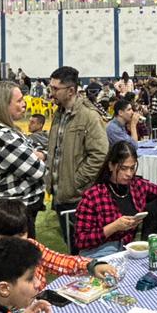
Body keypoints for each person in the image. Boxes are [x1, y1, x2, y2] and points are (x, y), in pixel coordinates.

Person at [0, 197, 118, 290]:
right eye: (8, 237)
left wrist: (91, 265)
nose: (16, 243)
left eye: (21, 235)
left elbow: (61, 261)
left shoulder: (31, 247)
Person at [45, 66, 109, 236]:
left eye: (55, 89)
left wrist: (76, 181)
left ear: (71, 91)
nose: (51, 93)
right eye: (51, 88)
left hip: (78, 197)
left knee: (81, 245)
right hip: (60, 194)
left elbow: (100, 154)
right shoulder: (59, 114)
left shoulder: (89, 116)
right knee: (69, 242)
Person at [0, 80, 45, 238]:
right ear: (4, 106)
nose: (24, 104)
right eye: (19, 101)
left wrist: (40, 154)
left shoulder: (9, 131)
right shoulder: (3, 137)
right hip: (10, 217)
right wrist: (39, 156)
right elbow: (39, 170)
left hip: (15, 211)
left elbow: (37, 149)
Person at [72, 142, 157, 257]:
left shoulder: (137, 186)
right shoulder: (94, 195)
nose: (129, 174)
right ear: (111, 166)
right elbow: (80, 240)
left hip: (127, 250)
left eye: (132, 168)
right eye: (123, 168)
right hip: (98, 251)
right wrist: (114, 227)